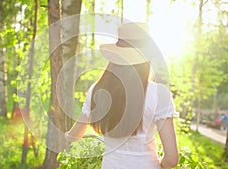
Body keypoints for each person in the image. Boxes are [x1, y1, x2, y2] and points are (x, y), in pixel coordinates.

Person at [65, 23, 179, 169]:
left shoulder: (97, 90)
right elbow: (171, 159)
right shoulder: (159, 94)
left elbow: (75, 135)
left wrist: (66, 135)